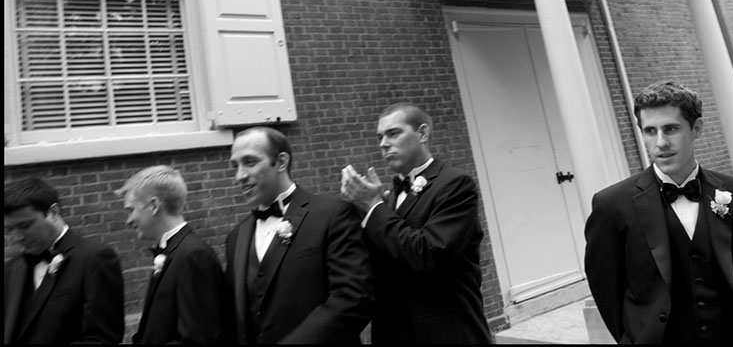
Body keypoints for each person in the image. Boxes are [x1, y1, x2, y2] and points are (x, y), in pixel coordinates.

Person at [585, 80, 733, 345]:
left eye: (671, 129)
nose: (660, 142)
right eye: (650, 131)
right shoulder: (611, 205)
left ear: (696, 128)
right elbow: (607, 291)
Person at [341, 102, 492, 344]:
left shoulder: (455, 185)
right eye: (380, 137)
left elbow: (427, 253)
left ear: (422, 133)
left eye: (393, 133)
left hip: (446, 333)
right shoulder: (388, 199)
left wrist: (373, 208)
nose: (383, 143)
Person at [226, 126, 373, 344]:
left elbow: (353, 298)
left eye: (250, 162)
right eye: (235, 166)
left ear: (282, 162)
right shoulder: (236, 237)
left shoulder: (332, 215)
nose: (240, 175)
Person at [117, 165, 233, 344]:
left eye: (131, 210)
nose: (128, 221)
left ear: (154, 205)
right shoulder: (174, 251)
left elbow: (198, 338)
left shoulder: (193, 256)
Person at [4, 176, 124, 344]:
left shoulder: (95, 259)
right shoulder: (11, 268)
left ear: (54, 212)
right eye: (9, 230)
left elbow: (102, 339)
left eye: (25, 226)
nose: (17, 237)